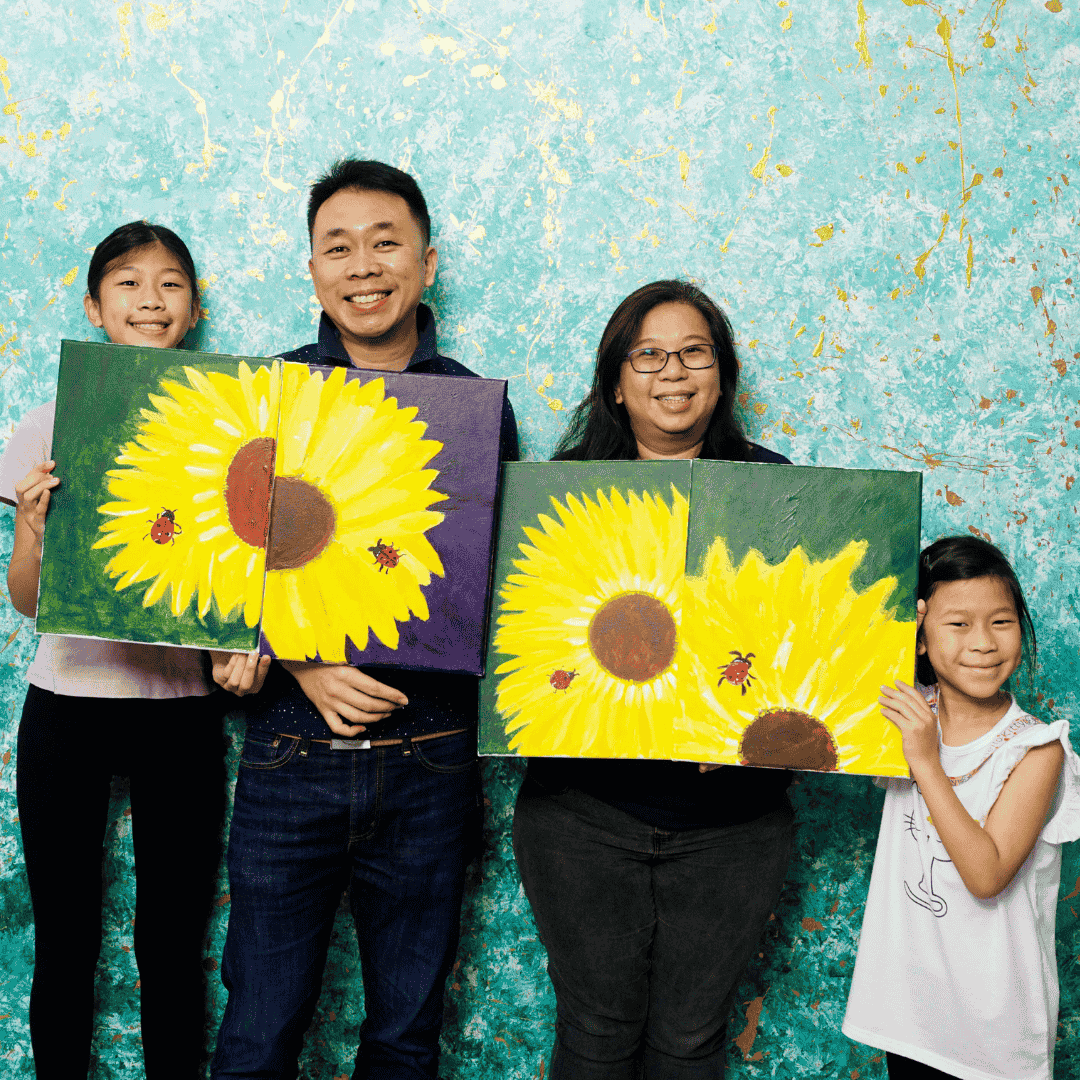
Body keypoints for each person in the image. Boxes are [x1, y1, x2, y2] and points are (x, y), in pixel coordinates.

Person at [211, 159, 519, 1080]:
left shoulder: (478, 409)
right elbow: (215, 569)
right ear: (312, 271)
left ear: (427, 263)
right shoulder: (263, 395)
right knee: (259, 1032)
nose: (363, 266)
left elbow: (486, 589)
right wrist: (295, 659)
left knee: (403, 1038)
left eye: (385, 243)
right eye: (337, 248)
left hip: (430, 760)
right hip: (286, 756)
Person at [512, 280, 795, 1079]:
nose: (673, 372)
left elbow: (798, 645)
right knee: (597, 1035)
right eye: (649, 355)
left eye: (694, 352)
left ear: (722, 374)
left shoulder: (783, 490)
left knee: (690, 1040)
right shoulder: (555, 496)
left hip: (732, 830)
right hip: (582, 820)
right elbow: (526, 646)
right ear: (615, 382)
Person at [1, 221, 241, 1079]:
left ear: (195, 307)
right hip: (65, 706)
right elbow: (29, 602)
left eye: (171, 283)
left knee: (172, 941)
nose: (151, 299)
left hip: (180, 712)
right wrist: (32, 531)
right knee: (65, 936)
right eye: (130, 284)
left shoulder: (222, 426)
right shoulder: (49, 420)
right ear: (96, 306)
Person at [843, 535, 1079, 1080]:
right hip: (908, 1016)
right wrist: (895, 621)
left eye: (1001, 622)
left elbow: (987, 874)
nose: (983, 643)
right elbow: (817, 667)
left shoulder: (1037, 749)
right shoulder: (902, 714)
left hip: (991, 1033)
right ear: (922, 636)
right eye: (957, 624)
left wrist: (926, 763)